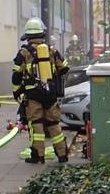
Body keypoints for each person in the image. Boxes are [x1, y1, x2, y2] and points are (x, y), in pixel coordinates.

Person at [12, 18, 71, 163]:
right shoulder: (51, 50)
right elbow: (64, 67)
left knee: (36, 124)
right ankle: (62, 154)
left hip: (33, 94)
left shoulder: (24, 53)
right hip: (50, 93)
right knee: (53, 124)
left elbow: (16, 75)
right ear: (42, 33)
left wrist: (16, 91)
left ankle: (38, 156)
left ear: (28, 36)